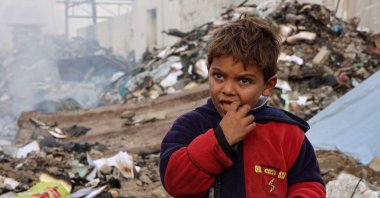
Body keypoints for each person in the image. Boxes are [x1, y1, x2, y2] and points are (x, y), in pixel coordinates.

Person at [159, 15, 326, 198]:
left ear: (268, 85)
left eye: (244, 80)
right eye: (219, 76)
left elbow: (309, 185)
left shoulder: (287, 134)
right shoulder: (191, 126)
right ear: (208, 71)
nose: (228, 90)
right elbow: (175, 184)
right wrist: (220, 139)